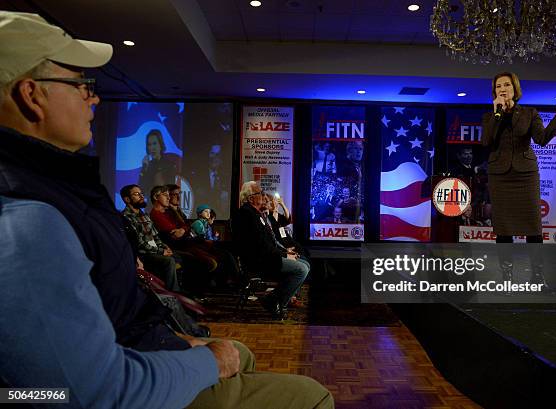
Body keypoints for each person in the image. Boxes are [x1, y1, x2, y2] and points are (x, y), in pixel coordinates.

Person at [0, 12, 333, 408]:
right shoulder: (26, 220)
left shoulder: (49, 192)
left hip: (137, 347)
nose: (94, 97)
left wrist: (177, 341)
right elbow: (81, 393)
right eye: (79, 84)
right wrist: (205, 360)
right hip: (126, 380)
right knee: (311, 397)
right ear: (31, 95)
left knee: (241, 351)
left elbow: (112, 314)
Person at [481, 71, 556, 285]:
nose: (502, 89)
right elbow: (486, 142)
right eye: (498, 86)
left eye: (506, 85)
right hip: (500, 178)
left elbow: (541, 139)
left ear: (515, 89)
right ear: (494, 91)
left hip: (526, 176)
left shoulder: (529, 113)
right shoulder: (489, 116)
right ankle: (507, 278)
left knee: (533, 227)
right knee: (504, 229)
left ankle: (537, 277)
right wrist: (497, 114)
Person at [234, 182, 310, 317]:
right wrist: (284, 255)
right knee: (301, 269)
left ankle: (277, 301)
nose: (263, 196)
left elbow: (269, 243)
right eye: (260, 193)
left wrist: (285, 253)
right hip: (258, 262)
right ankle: (275, 300)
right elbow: (260, 245)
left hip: (266, 257)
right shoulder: (247, 214)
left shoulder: (256, 213)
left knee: (305, 264)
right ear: (251, 198)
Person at [120, 183, 180, 291]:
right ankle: (174, 293)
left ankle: (171, 288)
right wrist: (161, 251)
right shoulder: (125, 217)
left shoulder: (145, 215)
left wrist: (164, 247)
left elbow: (155, 236)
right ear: (127, 199)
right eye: (137, 194)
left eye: (141, 193)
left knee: (177, 256)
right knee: (169, 261)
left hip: (153, 250)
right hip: (142, 254)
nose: (142, 196)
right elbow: (139, 243)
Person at [138, 128, 179, 199]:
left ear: (160, 144)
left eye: (154, 143)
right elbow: (141, 191)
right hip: (150, 207)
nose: (152, 148)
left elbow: (171, 191)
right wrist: (144, 169)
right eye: (149, 144)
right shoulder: (147, 166)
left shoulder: (169, 165)